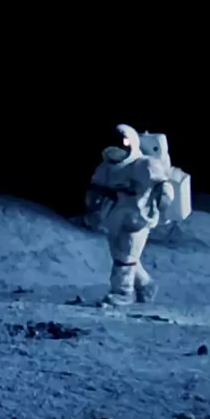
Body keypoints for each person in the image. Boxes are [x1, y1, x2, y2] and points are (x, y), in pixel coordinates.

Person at [85, 124, 175, 305]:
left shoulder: (145, 165)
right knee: (122, 255)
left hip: (137, 217)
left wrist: (162, 201)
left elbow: (164, 188)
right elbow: (96, 187)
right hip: (114, 217)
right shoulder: (107, 168)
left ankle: (123, 292)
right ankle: (145, 286)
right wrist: (93, 202)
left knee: (125, 257)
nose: (115, 153)